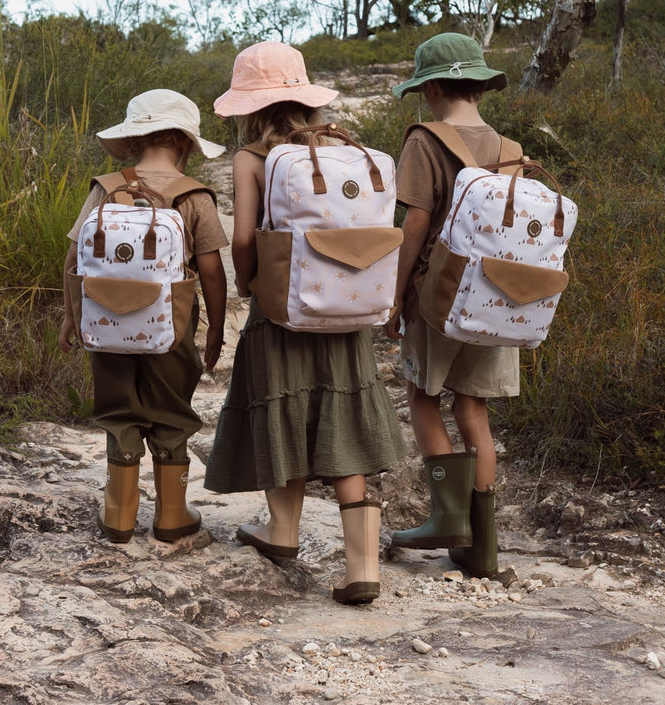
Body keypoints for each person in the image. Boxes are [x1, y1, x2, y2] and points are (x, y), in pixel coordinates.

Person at [203, 41, 406, 606]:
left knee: (282, 409)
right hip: (347, 307)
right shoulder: (347, 149)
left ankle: (283, 532)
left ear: (251, 105)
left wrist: (251, 284)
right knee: (342, 416)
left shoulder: (252, 158)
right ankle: (363, 566)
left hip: (284, 310)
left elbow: (245, 239)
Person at [59, 89, 228, 544]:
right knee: (171, 410)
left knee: (119, 410)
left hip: (106, 321)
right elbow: (211, 271)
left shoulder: (106, 188)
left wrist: (71, 317)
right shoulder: (194, 196)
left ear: (136, 138)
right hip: (171, 329)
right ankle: (172, 515)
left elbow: (74, 258)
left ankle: (119, 514)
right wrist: (215, 329)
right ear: (184, 140)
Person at [384, 32, 518, 579]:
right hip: (496, 298)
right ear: (479, 87)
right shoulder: (509, 150)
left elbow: (414, 224)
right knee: (474, 411)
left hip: (438, 296)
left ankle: (447, 518)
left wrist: (394, 294)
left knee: (421, 397)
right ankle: (482, 550)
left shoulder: (424, 141)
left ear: (433, 87)